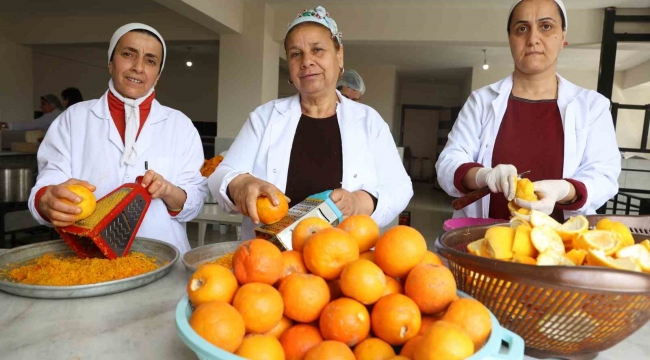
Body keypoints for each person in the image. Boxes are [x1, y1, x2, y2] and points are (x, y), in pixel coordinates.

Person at [209, 6, 412, 241]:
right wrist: (241, 183)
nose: (307, 61)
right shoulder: (266, 117)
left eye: (317, 50)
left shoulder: (369, 121)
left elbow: (400, 187)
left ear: (339, 55)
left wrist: (360, 202)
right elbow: (222, 173)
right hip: (269, 261)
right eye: (296, 54)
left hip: (343, 259)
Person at [27, 23, 208, 254]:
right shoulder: (74, 119)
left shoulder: (180, 125)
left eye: (150, 61)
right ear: (110, 63)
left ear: (158, 76)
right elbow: (46, 185)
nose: (138, 67)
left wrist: (167, 190)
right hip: (88, 257)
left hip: (165, 257)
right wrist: (46, 201)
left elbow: (194, 202)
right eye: (128, 54)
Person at [436, 0, 620, 223]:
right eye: (522, 29)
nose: (533, 39)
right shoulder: (481, 101)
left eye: (546, 26)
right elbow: (449, 162)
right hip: (482, 241)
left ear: (563, 37)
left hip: (558, 249)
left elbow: (604, 176)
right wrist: (484, 175)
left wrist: (565, 190)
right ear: (511, 40)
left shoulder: (591, 106)